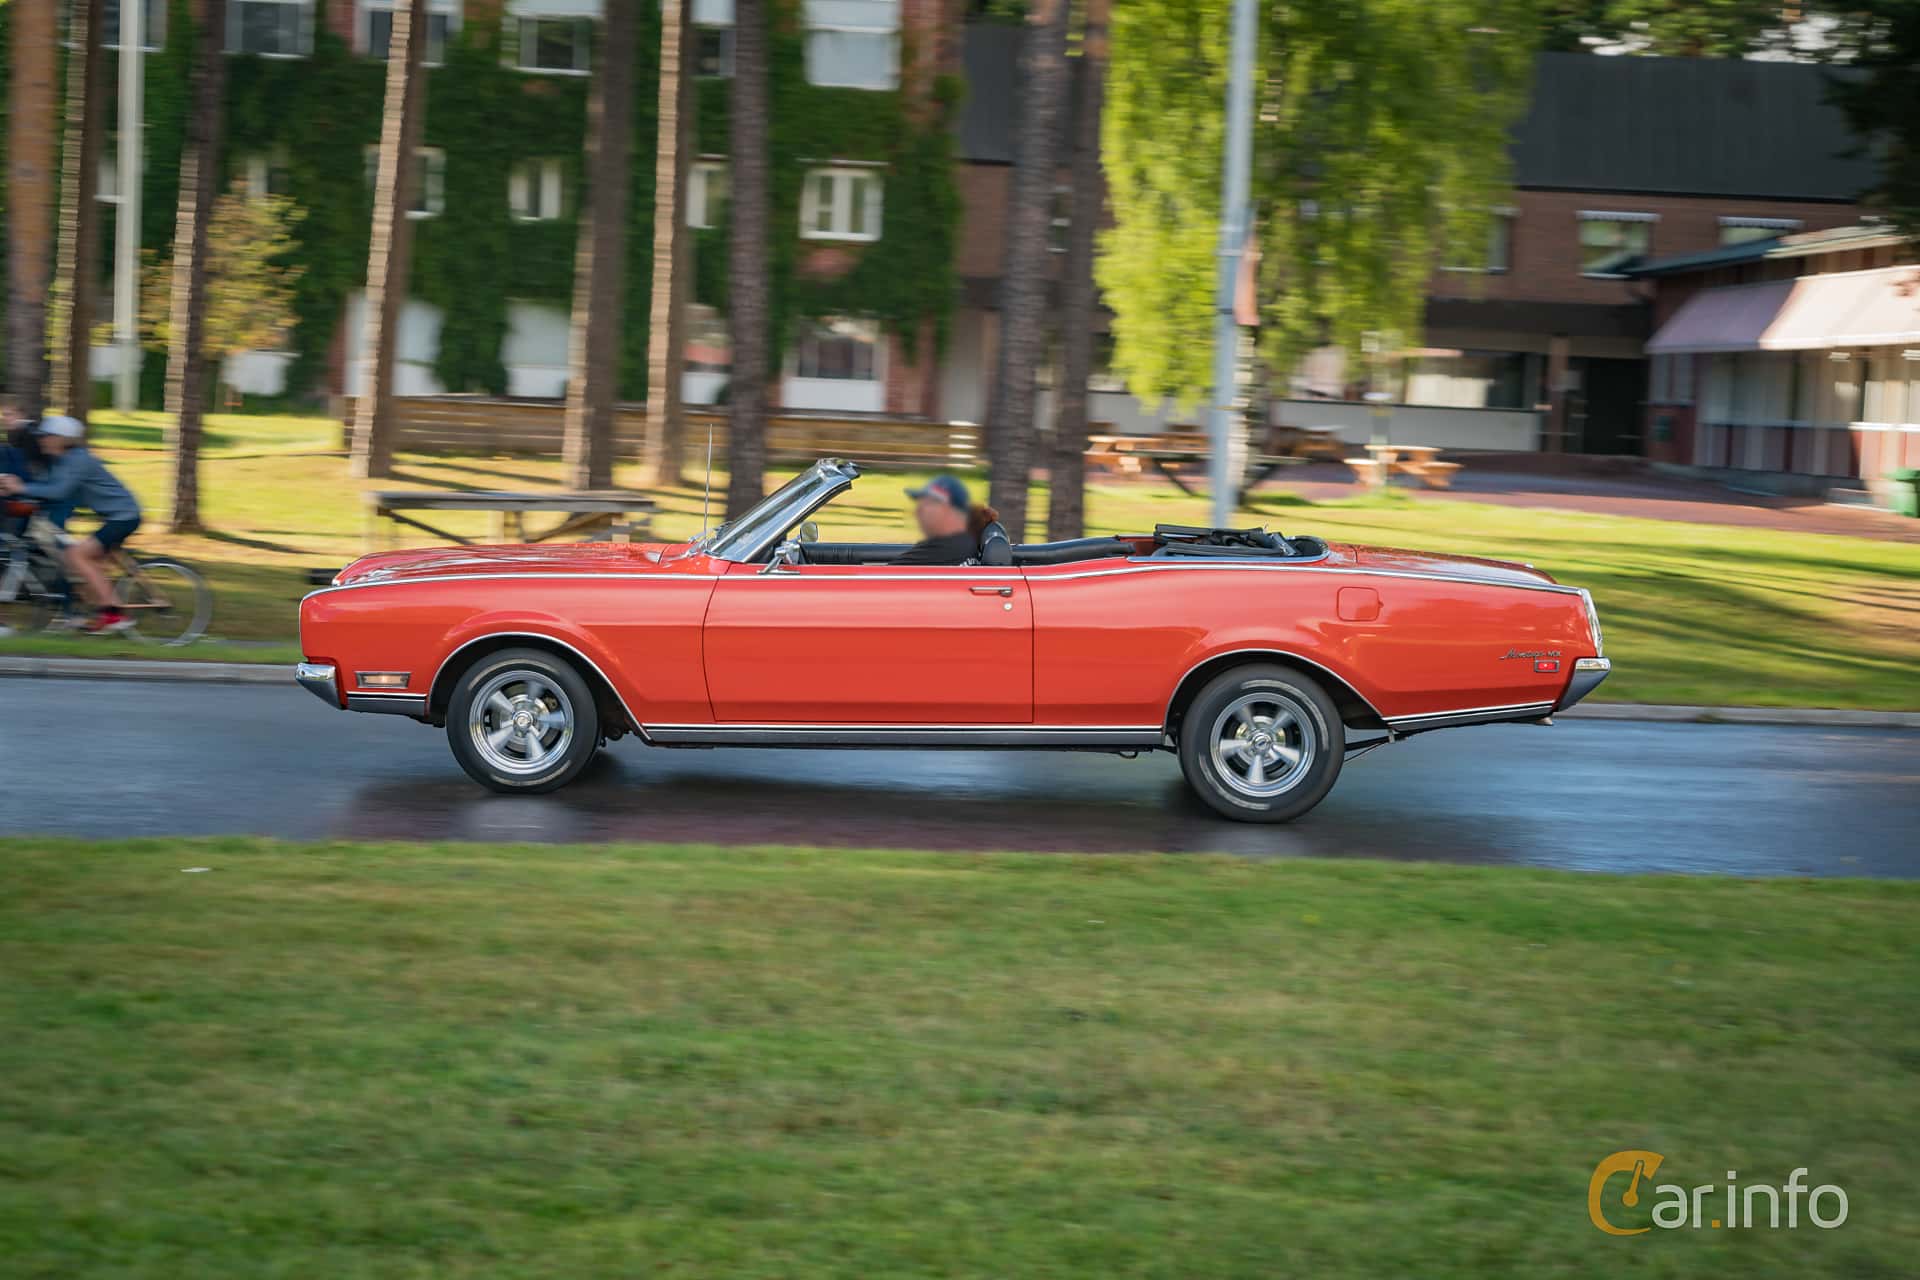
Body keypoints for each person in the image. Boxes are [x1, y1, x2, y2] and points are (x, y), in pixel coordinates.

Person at [0, 416, 142, 635]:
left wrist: (21, 488)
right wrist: (13, 491)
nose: (42, 441)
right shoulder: (62, 461)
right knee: (84, 565)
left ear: (61, 439)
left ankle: (115, 615)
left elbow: (58, 492)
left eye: (46, 436)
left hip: (123, 516)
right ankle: (105, 616)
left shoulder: (78, 460)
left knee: (76, 555)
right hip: (114, 516)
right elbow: (47, 489)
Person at [894, 475, 999, 566]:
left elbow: (883, 579)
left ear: (950, 511)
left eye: (927, 504)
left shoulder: (940, 549)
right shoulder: (968, 545)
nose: (917, 512)